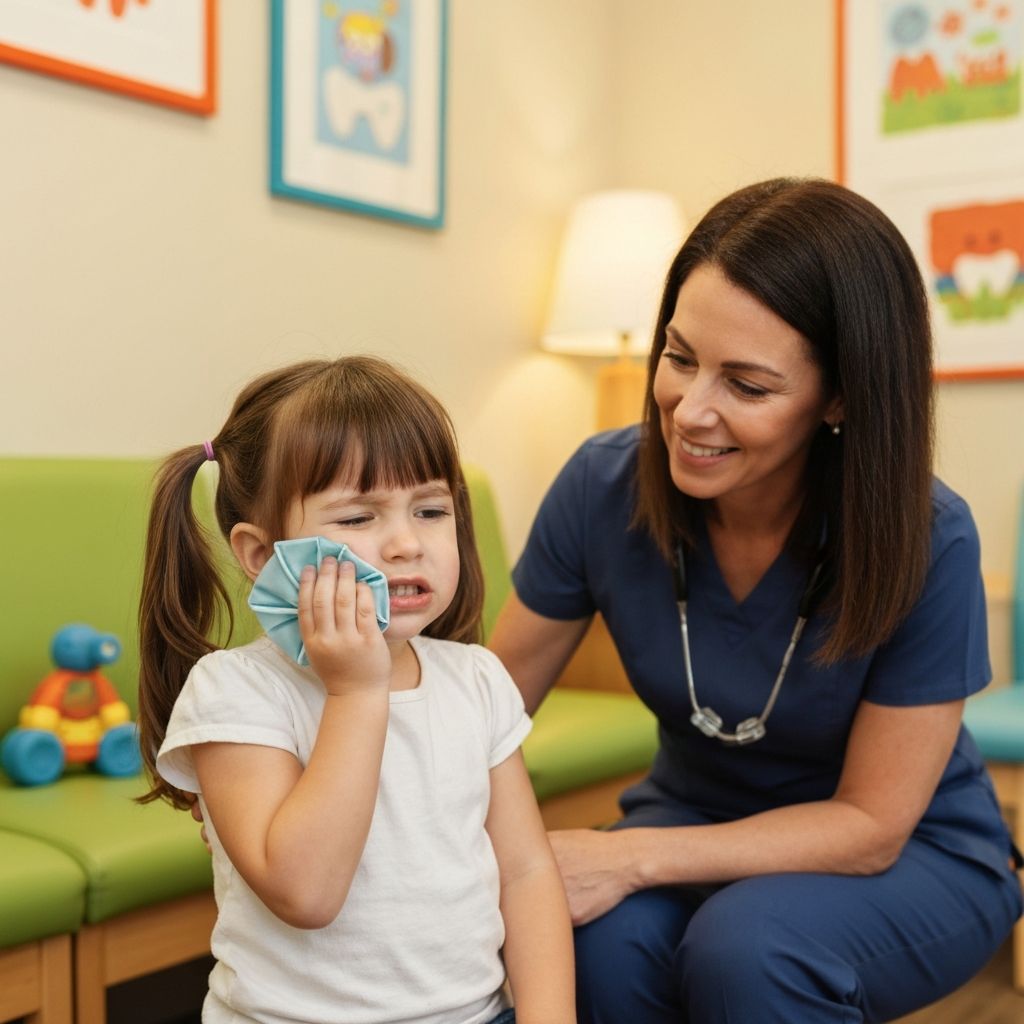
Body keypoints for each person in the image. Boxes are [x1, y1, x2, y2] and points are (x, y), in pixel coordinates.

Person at [489, 177, 1023, 1023]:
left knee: (749, 949)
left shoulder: (928, 536)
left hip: (909, 850)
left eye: (748, 385)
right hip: (691, 814)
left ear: (839, 398)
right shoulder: (602, 487)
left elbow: (871, 824)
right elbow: (479, 711)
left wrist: (630, 860)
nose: (689, 411)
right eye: (679, 357)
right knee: (591, 939)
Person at [136, 356, 575, 1024]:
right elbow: (306, 893)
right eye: (357, 518)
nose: (405, 543)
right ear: (262, 556)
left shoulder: (476, 679)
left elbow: (526, 874)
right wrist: (357, 693)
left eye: (430, 510)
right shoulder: (236, 693)